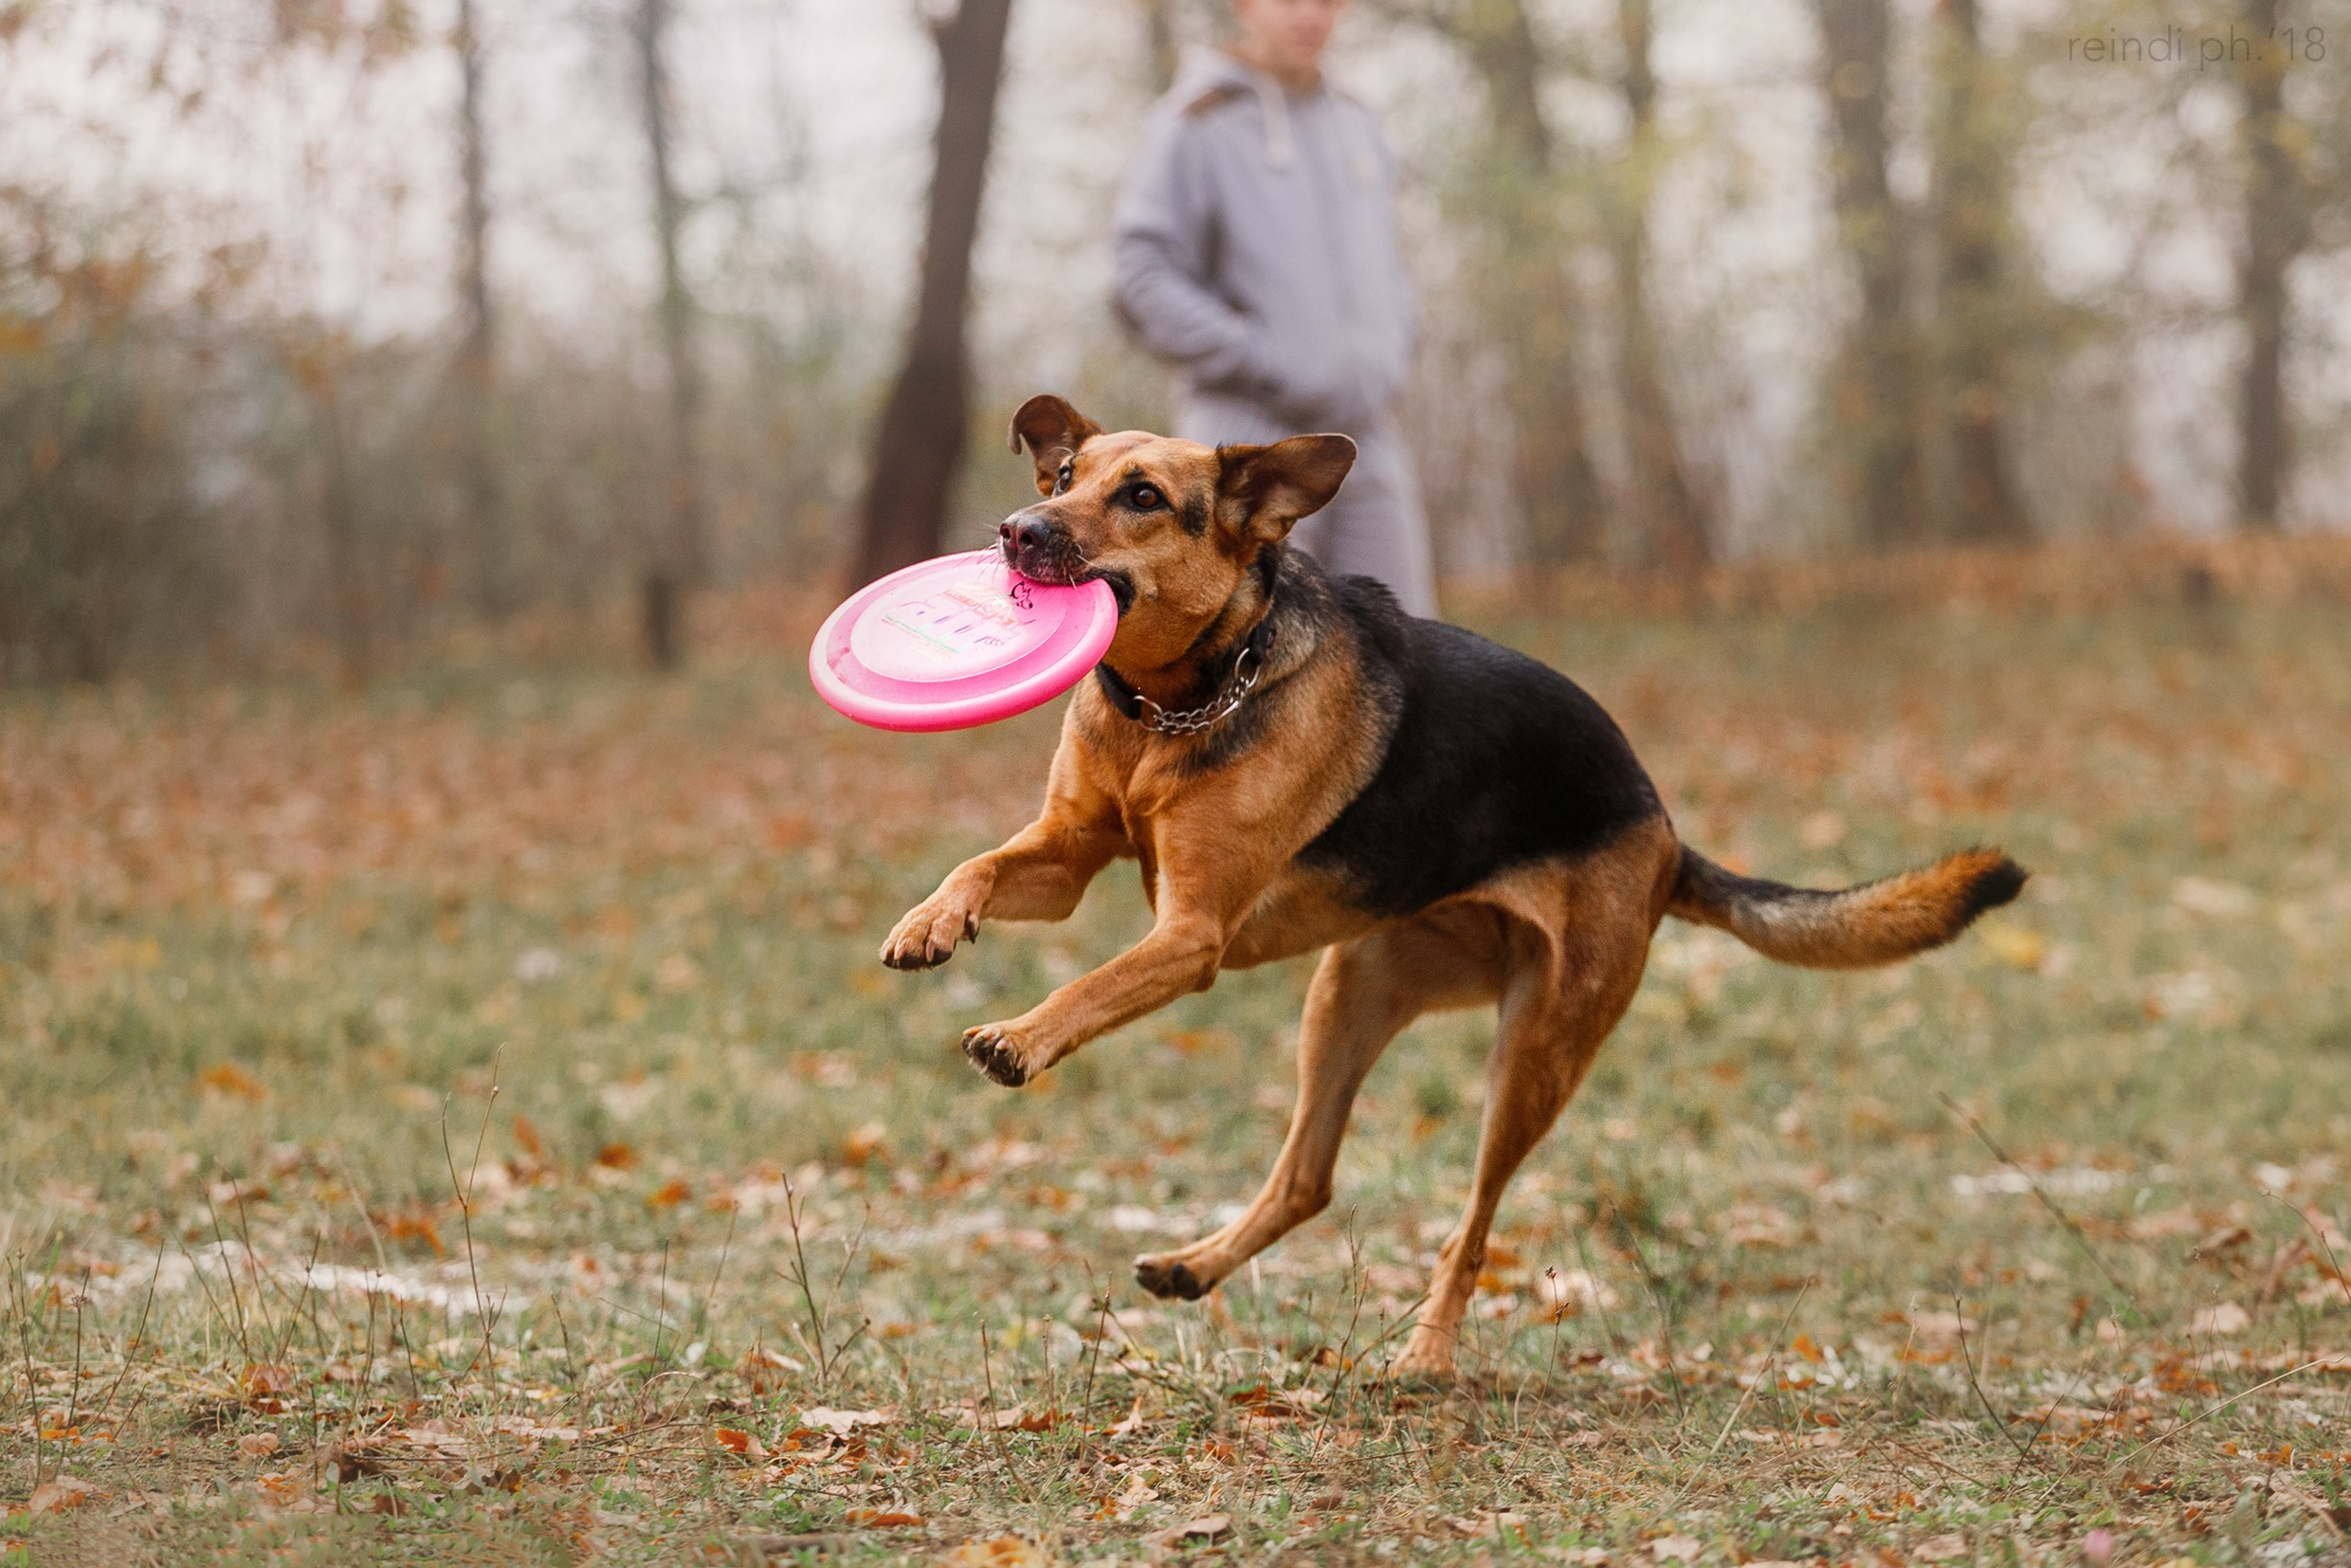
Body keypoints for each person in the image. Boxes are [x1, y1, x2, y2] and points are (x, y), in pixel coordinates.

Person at [1110, 0, 1438, 617]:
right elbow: (1142, 274)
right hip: (1249, 448)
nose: (1310, 16)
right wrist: (1257, 355)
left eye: (1327, 1)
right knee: (1249, 662)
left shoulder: (1359, 122)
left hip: (1367, 439)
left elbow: (1389, 265)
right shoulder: (1196, 122)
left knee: (1404, 656)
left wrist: (1390, 352)